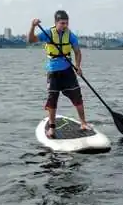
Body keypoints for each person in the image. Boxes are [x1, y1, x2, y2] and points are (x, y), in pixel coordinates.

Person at [27, 10, 91, 138]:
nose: (65, 25)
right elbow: (31, 40)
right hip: (53, 71)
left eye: (67, 23)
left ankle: (83, 123)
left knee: (77, 97)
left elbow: (77, 52)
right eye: (62, 23)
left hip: (68, 70)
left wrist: (78, 66)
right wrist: (33, 26)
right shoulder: (48, 33)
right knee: (52, 99)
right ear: (56, 22)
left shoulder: (71, 35)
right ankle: (52, 128)